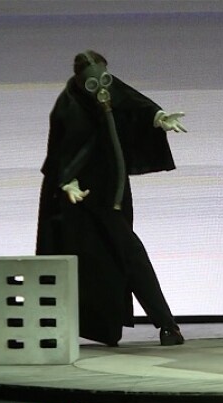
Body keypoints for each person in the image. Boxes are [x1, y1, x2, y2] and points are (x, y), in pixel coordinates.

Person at [36, 50, 187, 347]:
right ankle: (160, 325)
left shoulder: (110, 89)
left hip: (110, 194)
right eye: (93, 83)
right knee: (98, 261)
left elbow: (134, 104)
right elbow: (61, 150)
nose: (102, 90)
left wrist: (158, 118)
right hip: (79, 200)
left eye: (104, 79)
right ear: (81, 81)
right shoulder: (69, 106)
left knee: (126, 256)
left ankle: (165, 325)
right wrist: (66, 180)